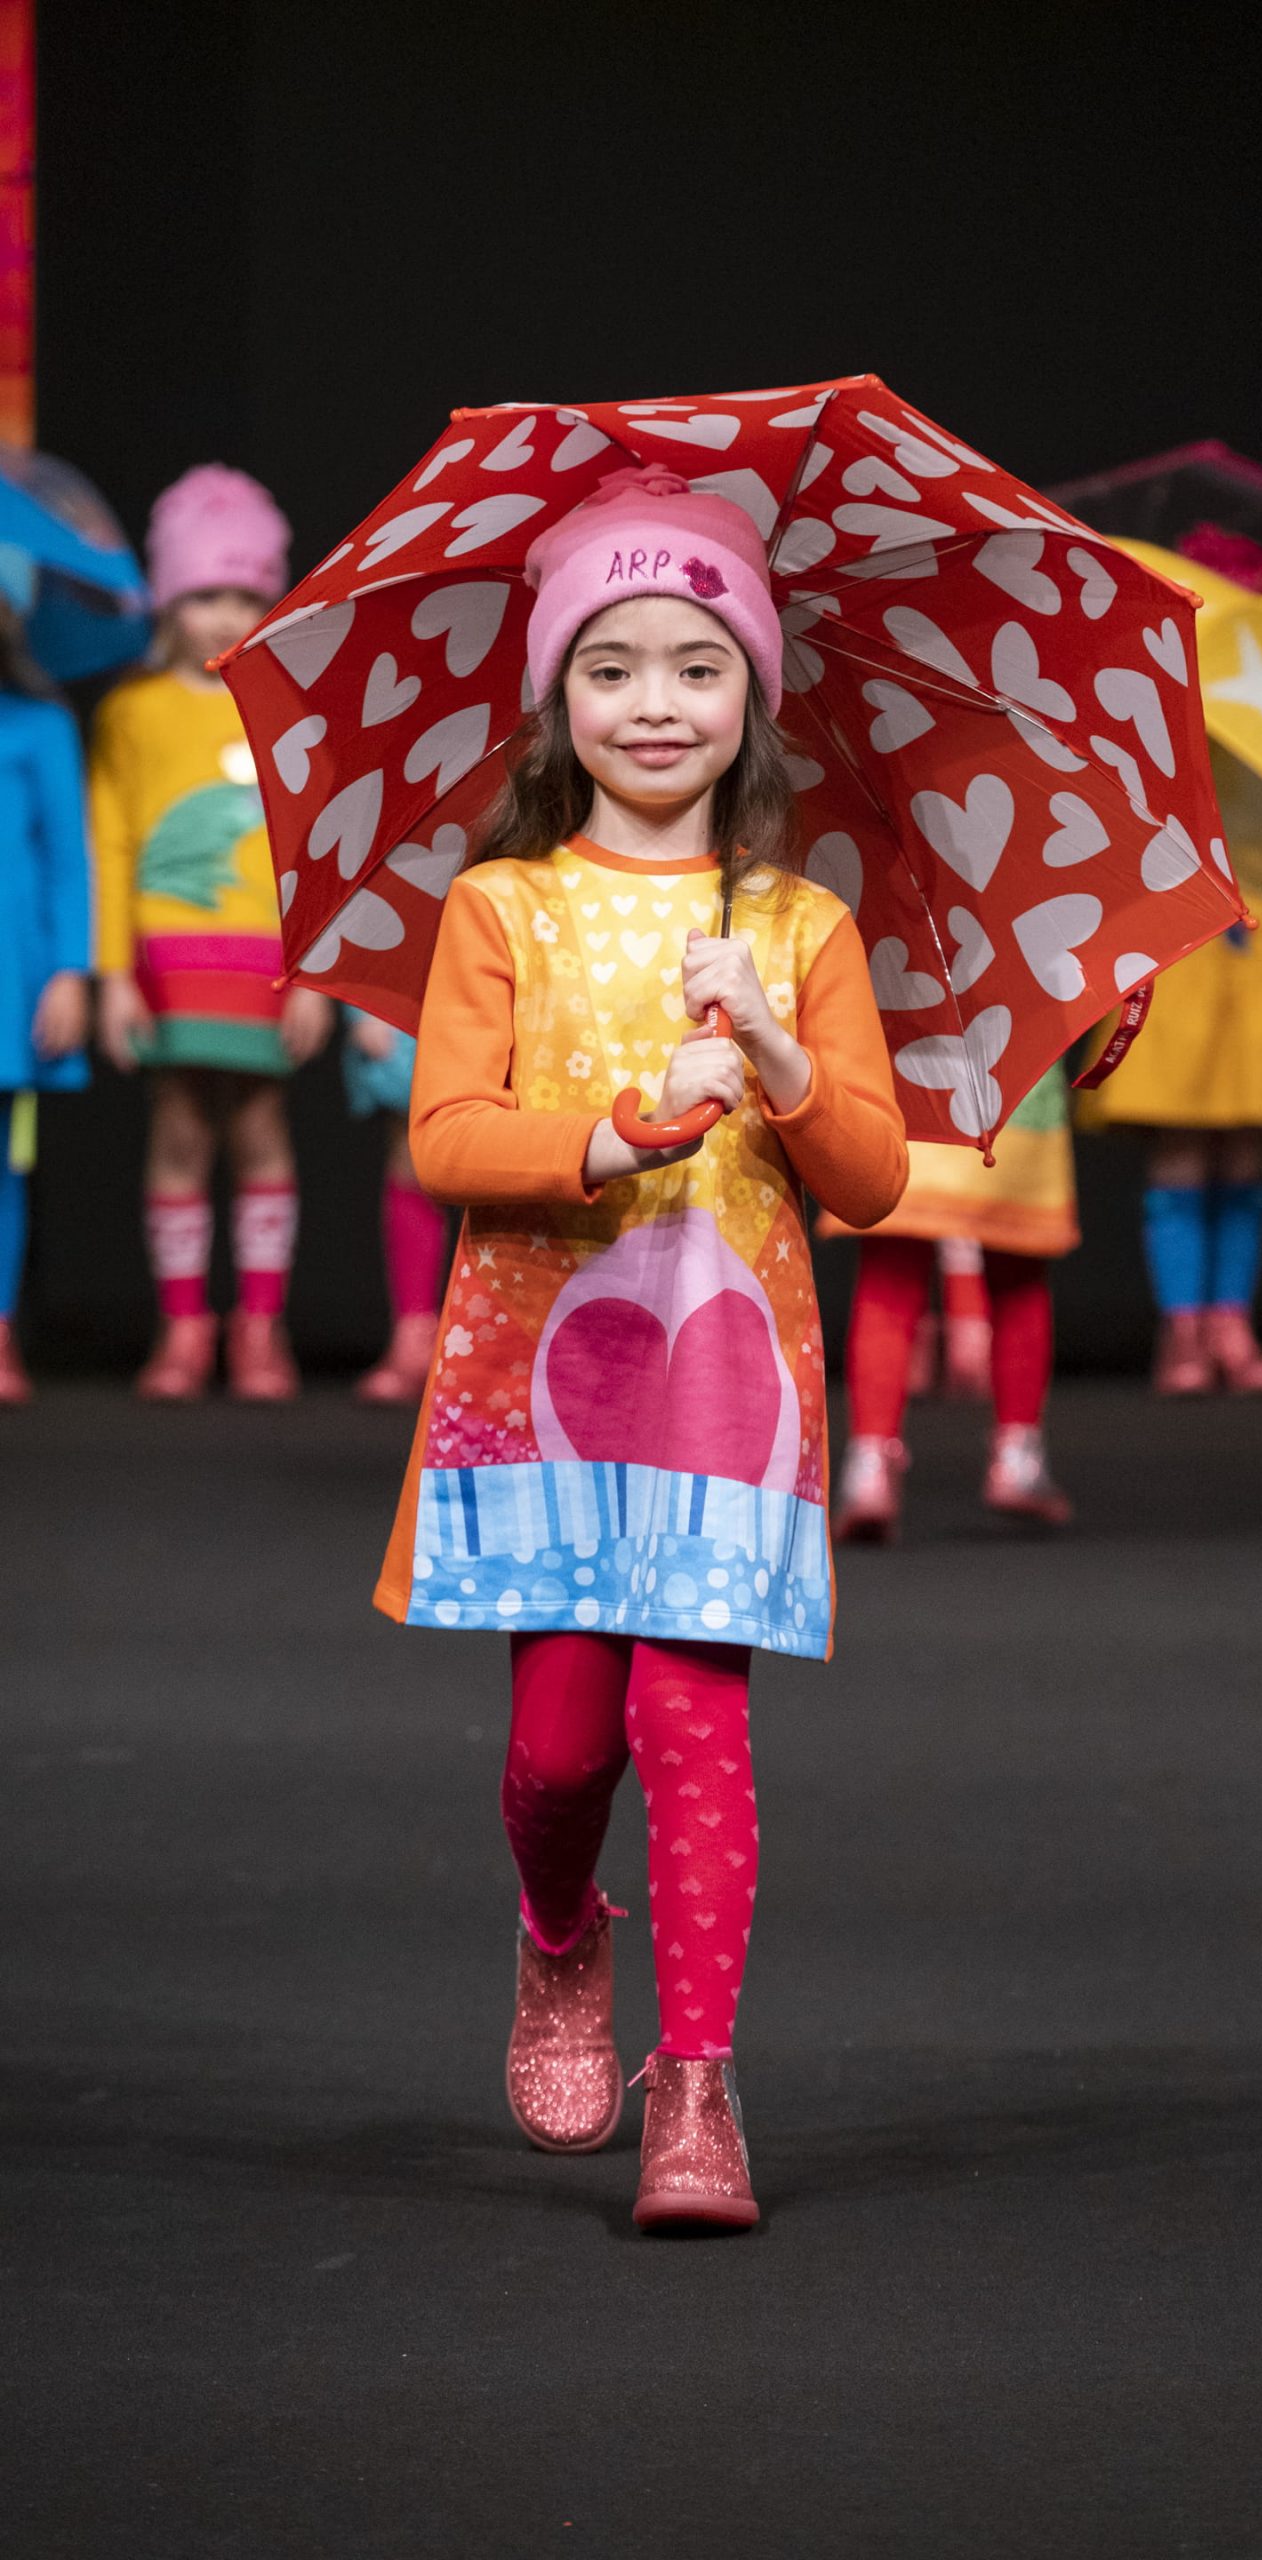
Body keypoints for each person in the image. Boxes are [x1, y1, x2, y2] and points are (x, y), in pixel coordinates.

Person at [372, 464, 906, 2229]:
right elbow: (446, 1137)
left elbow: (872, 1181)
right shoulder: (503, 909)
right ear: (556, 697)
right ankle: (554, 1934)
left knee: (693, 1728)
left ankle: (697, 2091)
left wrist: (781, 1054)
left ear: (753, 693)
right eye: (609, 667)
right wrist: (615, 1130)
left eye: (696, 664)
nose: (654, 703)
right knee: (560, 1756)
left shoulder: (798, 929)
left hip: (725, 1393)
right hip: (539, 1384)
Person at [90, 466, 332, 1402]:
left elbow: (315, 845)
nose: (224, 616)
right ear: (167, 602)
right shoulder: (131, 712)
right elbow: (111, 843)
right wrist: (113, 976)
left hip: (266, 961)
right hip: (168, 962)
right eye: (202, 596)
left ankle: (259, 1329)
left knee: (261, 1125)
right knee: (181, 1126)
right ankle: (183, 1327)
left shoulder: (290, 705)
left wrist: (314, 973)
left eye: (245, 595)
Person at [1075, 899, 1262, 1393]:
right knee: (1180, 1141)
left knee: (1247, 1149)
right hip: (1180, 924)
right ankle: (1183, 1330)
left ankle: (1231, 1325)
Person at [824, 1064, 1079, 1536]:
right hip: (1008, 1086)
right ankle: (1018, 1462)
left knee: (888, 1281)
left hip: (905, 1083)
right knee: (1019, 1275)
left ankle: (869, 1471)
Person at [0, 561, 91, 1403]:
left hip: (12, 976)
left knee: (4, 1166)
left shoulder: (41, 725)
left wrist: (70, 970)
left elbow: (69, 861)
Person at [340, 1008, 444, 1405]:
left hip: (509, 1001)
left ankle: (493, 1345)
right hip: (412, 1005)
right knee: (412, 1148)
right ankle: (414, 1340)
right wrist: (366, 1008)